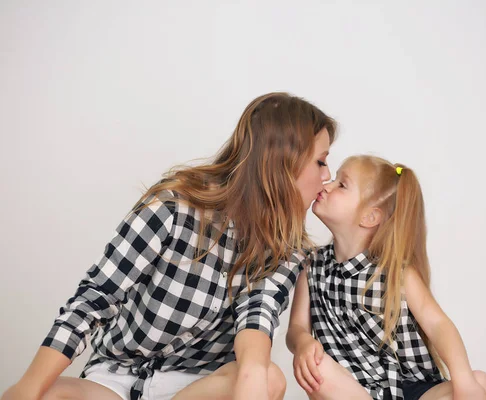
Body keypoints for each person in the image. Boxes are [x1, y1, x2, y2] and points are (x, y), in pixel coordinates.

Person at [2, 92, 336, 400]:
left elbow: (254, 332)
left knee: (269, 378)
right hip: (116, 380)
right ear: (284, 162)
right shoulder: (173, 206)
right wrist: (27, 390)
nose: (327, 175)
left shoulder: (288, 252)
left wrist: (254, 381)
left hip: (193, 388)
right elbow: (95, 299)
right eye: (321, 161)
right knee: (42, 393)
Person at [287, 155, 486, 400]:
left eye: (341, 185)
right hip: (353, 391)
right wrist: (302, 343)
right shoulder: (312, 267)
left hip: (411, 389)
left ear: (370, 217)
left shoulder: (397, 272)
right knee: (317, 367)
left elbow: (439, 325)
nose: (327, 185)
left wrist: (463, 380)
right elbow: (297, 327)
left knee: (482, 382)